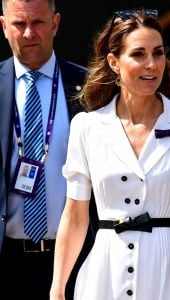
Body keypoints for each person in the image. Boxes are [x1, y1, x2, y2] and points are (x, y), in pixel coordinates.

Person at [50, 8, 170, 300]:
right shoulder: (87, 127)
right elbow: (76, 215)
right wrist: (58, 286)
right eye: (139, 54)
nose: (152, 64)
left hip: (167, 272)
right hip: (102, 274)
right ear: (114, 62)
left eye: (158, 53)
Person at [0, 0, 96, 299]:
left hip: (78, 259)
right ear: (4, 27)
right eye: (19, 24)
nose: (29, 33)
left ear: (55, 23)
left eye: (38, 22)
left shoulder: (91, 87)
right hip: (7, 262)